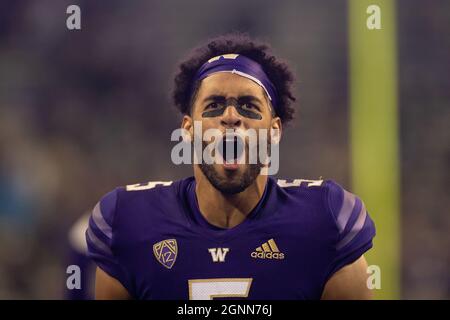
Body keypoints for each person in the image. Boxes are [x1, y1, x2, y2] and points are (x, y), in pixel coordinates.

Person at [86, 33, 376, 300]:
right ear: (188, 129)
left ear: (274, 131)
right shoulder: (129, 224)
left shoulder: (325, 222)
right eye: (214, 105)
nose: (231, 116)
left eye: (248, 106)